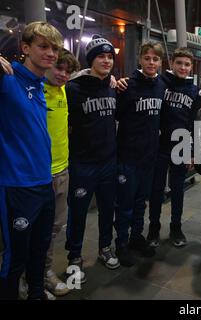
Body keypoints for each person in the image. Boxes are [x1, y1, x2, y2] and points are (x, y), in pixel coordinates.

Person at [0, 21, 62, 300]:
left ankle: (36, 294)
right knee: (15, 260)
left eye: (55, 49)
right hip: (16, 187)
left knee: (40, 252)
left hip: (44, 184)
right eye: (43, 46)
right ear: (25, 48)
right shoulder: (7, 79)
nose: (51, 53)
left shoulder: (40, 85)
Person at [65, 35, 119, 283]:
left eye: (110, 57)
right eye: (101, 57)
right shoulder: (73, 88)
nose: (106, 61)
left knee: (108, 208)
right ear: (91, 60)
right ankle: (74, 257)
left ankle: (104, 247)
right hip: (83, 162)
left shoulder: (113, 86)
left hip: (108, 161)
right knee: (78, 212)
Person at [113, 42, 166, 266]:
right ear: (140, 60)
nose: (151, 62)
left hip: (149, 156)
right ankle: (121, 243)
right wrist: (113, 82)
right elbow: (114, 114)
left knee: (140, 203)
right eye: (147, 58)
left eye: (155, 59)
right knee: (124, 203)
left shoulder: (161, 85)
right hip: (128, 155)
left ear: (161, 63)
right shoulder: (127, 85)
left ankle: (136, 237)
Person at [146, 48, 201, 248]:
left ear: (191, 67)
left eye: (187, 64)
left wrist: (193, 152)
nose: (183, 68)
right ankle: (153, 228)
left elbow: (195, 123)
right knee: (156, 190)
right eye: (179, 63)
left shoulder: (194, 91)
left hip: (181, 146)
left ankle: (176, 228)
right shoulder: (160, 83)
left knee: (178, 190)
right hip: (159, 146)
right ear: (172, 63)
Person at [43, 49, 80, 296]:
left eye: (68, 71)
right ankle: (23, 278)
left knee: (53, 229)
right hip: (35, 175)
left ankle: (43, 273)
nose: (63, 74)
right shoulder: (33, 88)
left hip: (62, 170)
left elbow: (86, 74)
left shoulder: (65, 89)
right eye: (59, 68)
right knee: (27, 232)